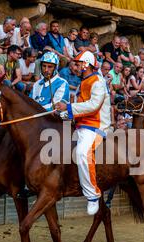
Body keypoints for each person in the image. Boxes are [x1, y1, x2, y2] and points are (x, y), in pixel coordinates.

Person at [55, 50, 111, 215]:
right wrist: (62, 113)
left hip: (95, 126)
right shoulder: (82, 83)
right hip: (80, 126)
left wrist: (69, 108)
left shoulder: (98, 81)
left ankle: (92, 195)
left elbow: (93, 105)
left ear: (86, 64)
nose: (75, 66)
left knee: (81, 153)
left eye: (78, 64)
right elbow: (79, 110)